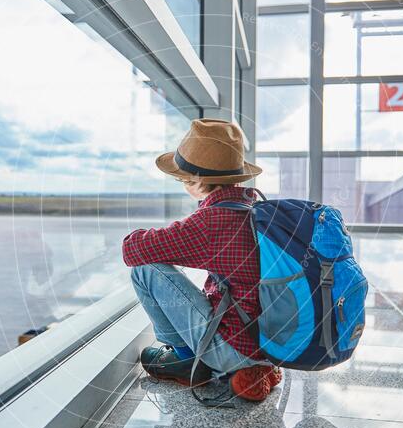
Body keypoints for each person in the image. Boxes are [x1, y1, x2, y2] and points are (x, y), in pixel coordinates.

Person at [121, 118, 282, 402]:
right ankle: (255, 368)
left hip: (233, 347)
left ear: (195, 181)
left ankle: (186, 361)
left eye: (181, 178)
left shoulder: (212, 221)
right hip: (272, 343)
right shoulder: (255, 209)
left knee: (145, 270)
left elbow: (132, 250)